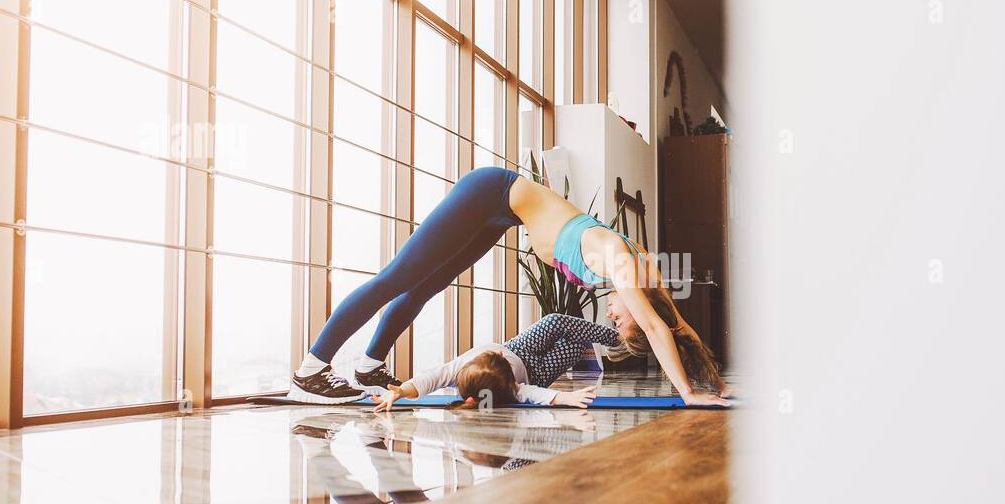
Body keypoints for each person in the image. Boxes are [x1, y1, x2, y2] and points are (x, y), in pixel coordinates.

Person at [287, 166, 730, 406]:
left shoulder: (647, 278)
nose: (613, 316)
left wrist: (715, 385)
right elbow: (655, 327)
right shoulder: (621, 262)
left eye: (618, 322)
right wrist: (688, 396)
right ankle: (310, 371)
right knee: (397, 278)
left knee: (425, 287)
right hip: (490, 193)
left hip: (503, 216)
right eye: (623, 320)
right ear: (641, 308)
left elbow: (676, 329)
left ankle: (367, 366)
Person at [373, 312, 618, 411]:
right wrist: (566, 398)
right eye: (499, 359)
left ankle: (616, 339)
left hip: (520, 347)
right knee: (575, 345)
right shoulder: (515, 389)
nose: (498, 353)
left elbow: (431, 378)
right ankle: (626, 344)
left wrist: (400, 391)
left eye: (494, 355)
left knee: (554, 321)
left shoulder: (460, 368)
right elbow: (533, 393)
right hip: (537, 374)